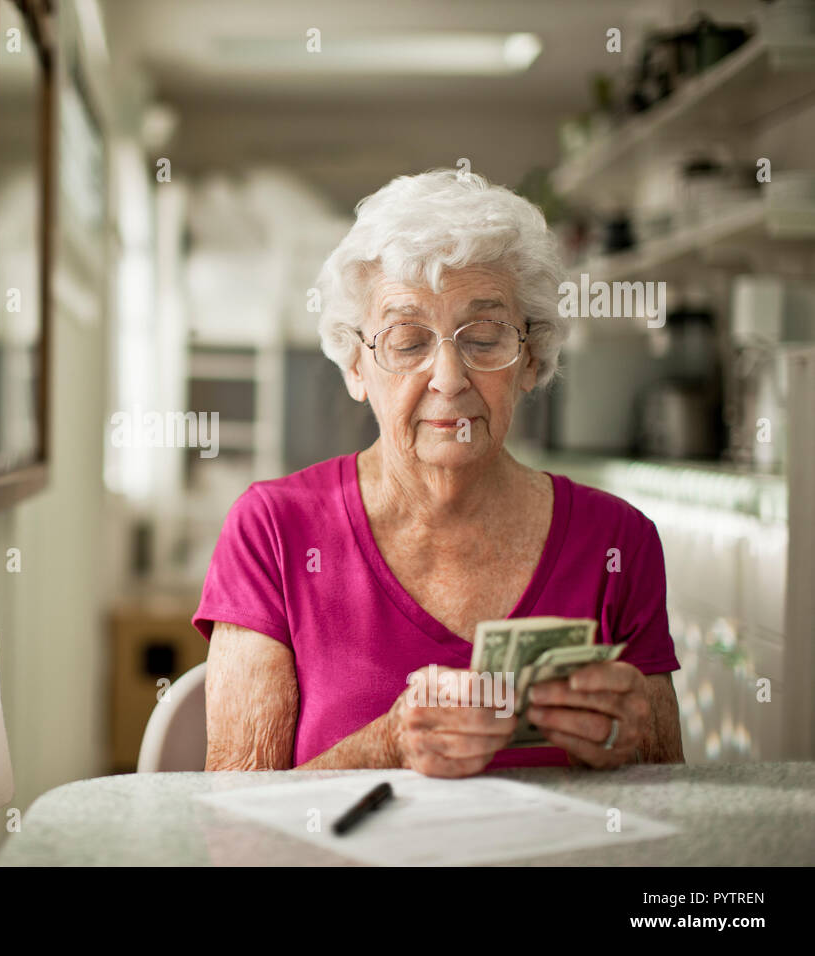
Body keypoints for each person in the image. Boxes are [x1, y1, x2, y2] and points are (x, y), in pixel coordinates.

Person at [193, 168, 684, 776]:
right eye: (406, 340)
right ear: (355, 365)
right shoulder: (272, 530)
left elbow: (673, 802)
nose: (449, 379)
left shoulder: (618, 542)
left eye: (484, 336)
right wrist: (388, 745)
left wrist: (632, 745)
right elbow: (234, 816)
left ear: (531, 359)